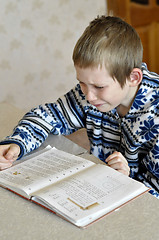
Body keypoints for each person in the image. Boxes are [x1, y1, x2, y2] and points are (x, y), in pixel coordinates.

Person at [0, 16, 159, 198]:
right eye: (82, 83)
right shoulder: (91, 93)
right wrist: (16, 143)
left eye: (99, 87)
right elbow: (48, 115)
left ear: (133, 78)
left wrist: (126, 181)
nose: (89, 96)